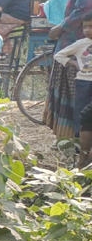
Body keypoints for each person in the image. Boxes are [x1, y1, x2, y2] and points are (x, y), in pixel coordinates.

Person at [49, 0, 92, 139]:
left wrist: (61, 27)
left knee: (79, 96)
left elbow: (84, 9)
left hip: (77, 43)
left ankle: (76, 141)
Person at [54, 12, 92, 164]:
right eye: (85, 27)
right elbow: (59, 55)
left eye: (91, 27)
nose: (88, 30)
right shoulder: (80, 44)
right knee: (82, 117)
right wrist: (74, 64)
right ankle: (81, 151)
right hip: (83, 83)